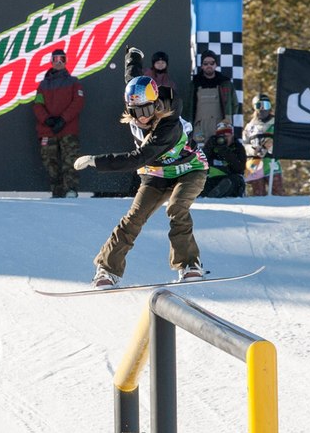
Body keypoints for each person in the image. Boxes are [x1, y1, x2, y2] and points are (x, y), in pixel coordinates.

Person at [74, 75, 209, 288]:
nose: (141, 118)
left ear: (156, 105)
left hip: (189, 169)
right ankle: (107, 270)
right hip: (155, 174)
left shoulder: (168, 125)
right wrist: (133, 56)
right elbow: (132, 74)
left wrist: (96, 162)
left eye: (146, 111)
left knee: (176, 207)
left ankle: (190, 264)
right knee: (133, 218)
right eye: (135, 112)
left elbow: (137, 159)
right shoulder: (139, 105)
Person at [33, 48, 84, 198]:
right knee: (50, 161)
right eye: (55, 59)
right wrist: (47, 119)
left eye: (62, 59)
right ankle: (57, 191)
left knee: (70, 161)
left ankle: (70, 190)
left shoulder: (74, 82)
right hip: (47, 130)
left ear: (66, 61)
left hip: (68, 129)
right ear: (51, 61)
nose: (58, 62)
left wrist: (63, 119)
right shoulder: (43, 85)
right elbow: (37, 105)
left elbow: (78, 102)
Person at [188, 49, 234, 146]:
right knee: (199, 153)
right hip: (199, 126)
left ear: (216, 64)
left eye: (212, 63)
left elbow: (234, 103)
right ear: (201, 65)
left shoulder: (225, 83)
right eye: (205, 63)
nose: (209, 65)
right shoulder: (194, 84)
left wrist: (227, 118)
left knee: (219, 151)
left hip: (219, 125)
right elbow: (188, 105)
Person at [243, 93, 284, 196]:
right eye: (259, 106)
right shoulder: (250, 126)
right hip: (255, 163)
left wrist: (270, 147)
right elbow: (244, 144)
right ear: (254, 107)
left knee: (278, 193)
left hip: (271, 162)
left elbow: (283, 142)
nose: (262, 109)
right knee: (258, 194)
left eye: (266, 105)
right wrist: (253, 150)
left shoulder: (276, 123)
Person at [199, 121, 246, 198]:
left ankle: (218, 191)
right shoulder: (212, 145)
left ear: (232, 135)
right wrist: (208, 147)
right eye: (221, 136)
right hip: (213, 178)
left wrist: (225, 152)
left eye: (227, 135)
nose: (224, 138)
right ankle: (212, 192)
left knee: (235, 181)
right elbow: (201, 162)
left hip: (230, 177)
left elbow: (239, 168)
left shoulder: (238, 147)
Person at [145, 51, 179, 116]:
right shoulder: (147, 77)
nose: (160, 65)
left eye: (163, 62)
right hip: (149, 110)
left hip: (165, 112)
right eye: (158, 63)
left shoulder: (169, 81)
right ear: (153, 64)